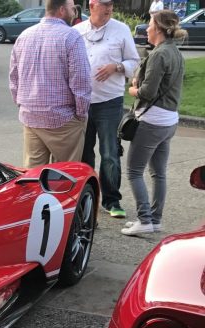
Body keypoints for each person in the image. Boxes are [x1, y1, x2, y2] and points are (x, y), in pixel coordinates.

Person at [121, 10, 186, 236]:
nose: (146, 29)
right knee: (158, 173)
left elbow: (147, 92)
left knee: (134, 172)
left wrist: (132, 89)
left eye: (149, 24)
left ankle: (145, 219)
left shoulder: (159, 55)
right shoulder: (175, 52)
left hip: (152, 121)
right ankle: (155, 219)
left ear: (158, 28)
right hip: (169, 121)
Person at [74, 0, 140, 219]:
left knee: (110, 153)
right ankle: (86, 197)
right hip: (82, 101)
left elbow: (134, 61)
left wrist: (117, 67)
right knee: (84, 152)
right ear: (92, 6)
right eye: (104, 5)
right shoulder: (77, 31)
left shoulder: (120, 30)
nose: (109, 8)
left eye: (111, 4)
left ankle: (112, 200)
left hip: (109, 102)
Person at [9, 0, 91, 168]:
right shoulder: (71, 36)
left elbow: (13, 77)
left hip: (31, 116)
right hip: (63, 118)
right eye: (71, 8)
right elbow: (81, 82)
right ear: (61, 10)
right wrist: (81, 115)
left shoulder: (24, 36)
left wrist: (21, 103)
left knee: (33, 174)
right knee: (65, 175)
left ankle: (35, 195)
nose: (74, 12)